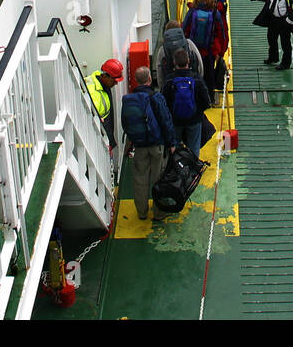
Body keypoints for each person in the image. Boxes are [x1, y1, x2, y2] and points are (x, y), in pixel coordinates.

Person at [120, 66, 177, 220]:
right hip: (157, 144)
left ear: (136, 80)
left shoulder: (128, 100)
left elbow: (125, 124)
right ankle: (159, 212)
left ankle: (142, 212)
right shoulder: (156, 97)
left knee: (140, 179)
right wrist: (171, 143)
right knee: (158, 178)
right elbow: (166, 121)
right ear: (149, 79)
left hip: (139, 146)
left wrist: (132, 141)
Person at [161, 48, 213, 156]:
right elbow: (206, 101)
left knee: (175, 148)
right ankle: (193, 170)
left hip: (175, 121)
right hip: (194, 120)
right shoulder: (196, 79)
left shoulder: (169, 80)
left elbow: (163, 102)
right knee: (194, 148)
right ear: (188, 61)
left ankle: (178, 168)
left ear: (174, 62)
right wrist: (197, 112)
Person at [182, 0, 228, 94]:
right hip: (210, 51)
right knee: (209, 74)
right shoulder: (215, 13)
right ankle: (210, 97)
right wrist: (221, 52)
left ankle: (194, 96)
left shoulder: (192, 12)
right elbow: (222, 34)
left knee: (195, 74)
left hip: (193, 50)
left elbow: (184, 29)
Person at [85, 58, 123, 145]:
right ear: (105, 76)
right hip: (97, 138)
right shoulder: (93, 92)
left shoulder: (104, 84)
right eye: (114, 81)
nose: (116, 84)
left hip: (106, 134)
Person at [155, 20, 203, 85]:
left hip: (171, 86)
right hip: (191, 84)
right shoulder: (189, 43)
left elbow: (159, 73)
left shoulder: (162, 49)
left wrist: (162, 88)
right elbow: (200, 64)